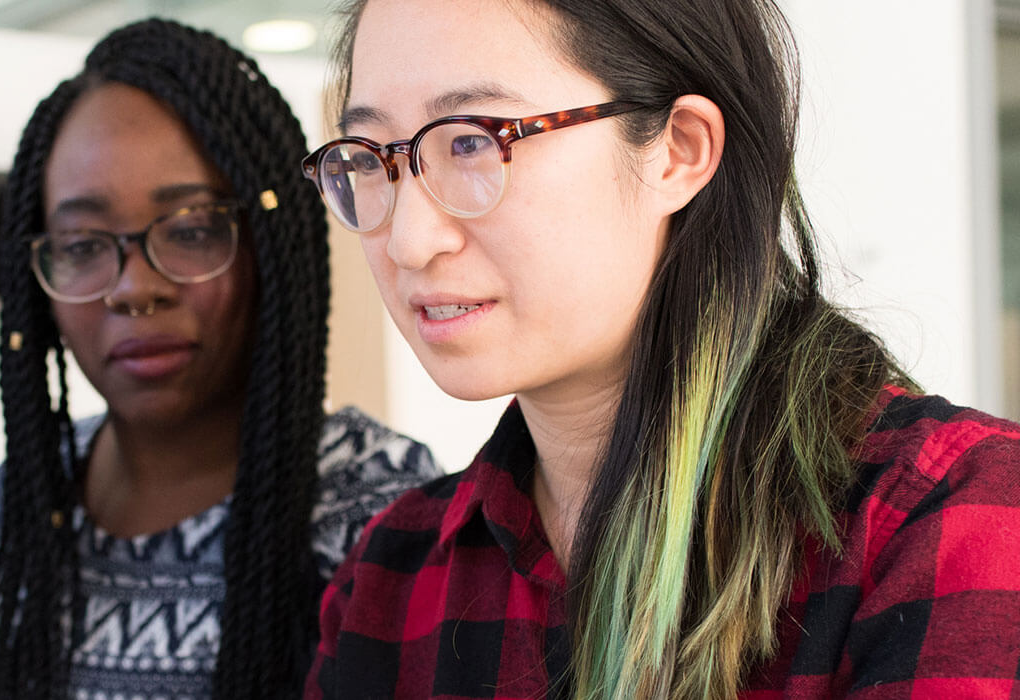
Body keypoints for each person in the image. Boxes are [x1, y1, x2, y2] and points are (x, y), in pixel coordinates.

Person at [301, 0, 1020, 698]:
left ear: (679, 150)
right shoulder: (390, 579)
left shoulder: (944, 520)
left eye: (471, 143)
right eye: (369, 159)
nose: (409, 241)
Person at [0, 18, 441, 700]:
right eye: (82, 245)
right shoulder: (19, 508)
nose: (135, 288)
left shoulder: (377, 510)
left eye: (190, 231)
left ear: (268, 246)